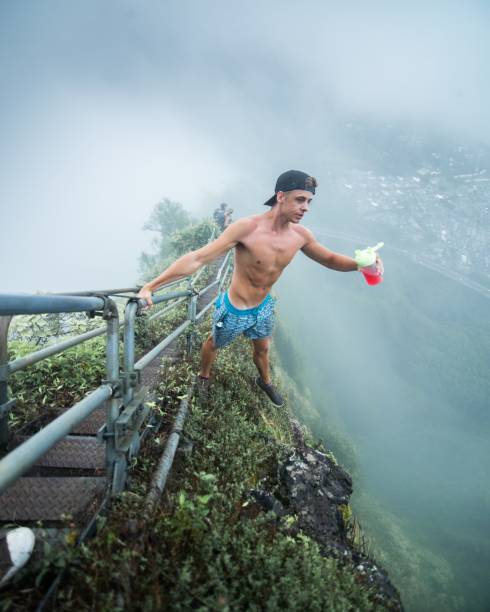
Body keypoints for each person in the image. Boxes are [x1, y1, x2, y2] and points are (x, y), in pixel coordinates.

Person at [138, 170, 383, 407]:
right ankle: (204, 376)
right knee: (214, 343)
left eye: (309, 201)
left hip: (263, 306)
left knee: (263, 349)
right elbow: (199, 258)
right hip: (235, 308)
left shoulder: (301, 235)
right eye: (300, 199)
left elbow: (329, 259)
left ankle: (265, 381)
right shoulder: (247, 229)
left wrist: (361, 265)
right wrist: (151, 285)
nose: (306, 207)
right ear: (280, 196)